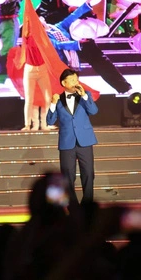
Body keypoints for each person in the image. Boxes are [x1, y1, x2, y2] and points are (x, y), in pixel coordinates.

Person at [46, 69, 98, 204]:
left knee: (88, 174)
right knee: (67, 176)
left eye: (77, 79)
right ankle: (73, 206)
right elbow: (50, 121)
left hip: (84, 141)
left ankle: (87, 205)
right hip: (66, 142)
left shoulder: (85, 95)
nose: (76, 82)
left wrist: (85, 97)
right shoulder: (58, 99)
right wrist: (52, 103)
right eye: (73, 80)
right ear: (64, 82)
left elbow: (94, 111)